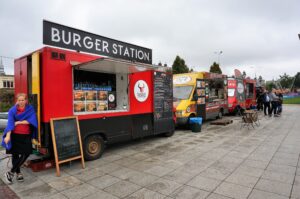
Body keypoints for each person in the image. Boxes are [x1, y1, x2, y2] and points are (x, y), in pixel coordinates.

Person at [2, 93, 38, 184]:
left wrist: (18, 122)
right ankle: (18, 173)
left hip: (26, 134)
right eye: (19, 100)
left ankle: (10, 172)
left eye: (23, 100)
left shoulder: (30, 109)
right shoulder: (12, 110)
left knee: (26, 152)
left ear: (26, 100)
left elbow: (31, 121)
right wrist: (8, 135)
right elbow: (10, 123)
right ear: (16, 101)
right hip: (15, 135)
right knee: (15, 154)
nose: (21, 102)